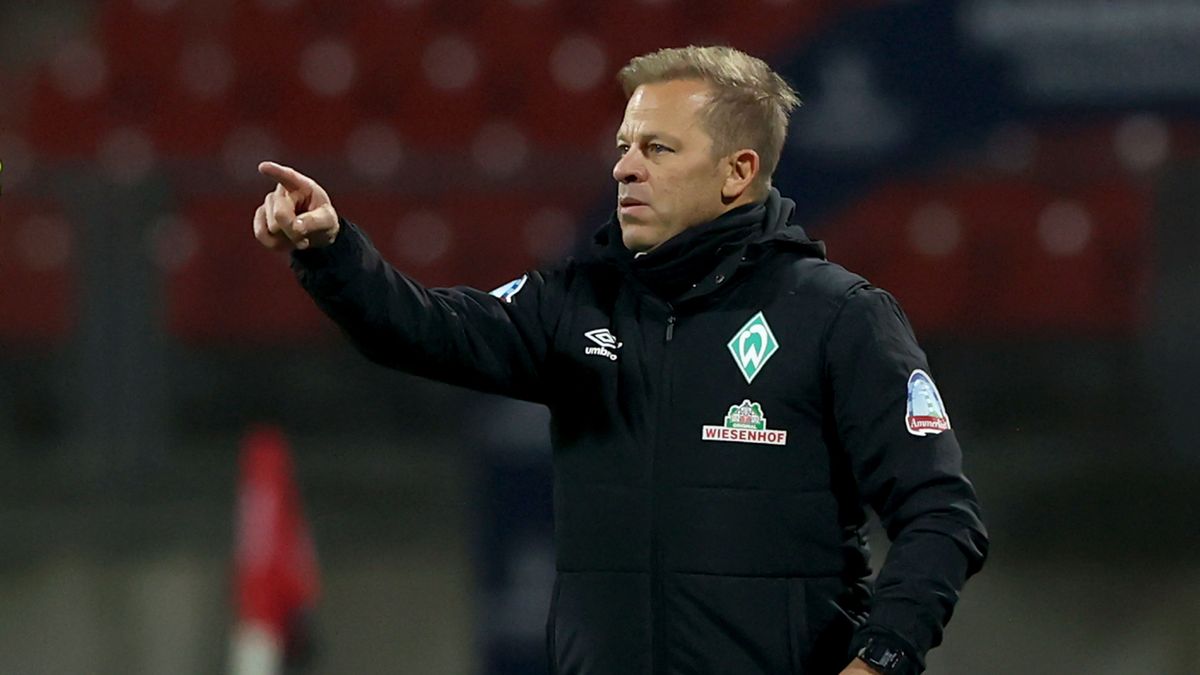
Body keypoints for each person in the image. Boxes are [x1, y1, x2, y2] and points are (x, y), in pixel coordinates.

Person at [252, 46, 987, 675]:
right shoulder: (576, 302)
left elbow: (941, 514)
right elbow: (424, 327)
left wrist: (880, 657)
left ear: (737, 171)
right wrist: (331, 250)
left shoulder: (839, 317)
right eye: (623, 147)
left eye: (657, 149)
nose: (626, 169)